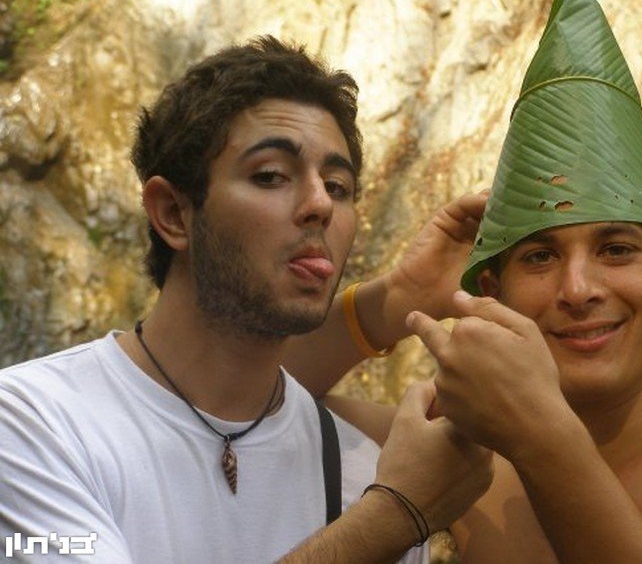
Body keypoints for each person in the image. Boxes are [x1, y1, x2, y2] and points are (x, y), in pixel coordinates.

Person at [290, 0, 642, 562]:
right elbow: (240, 395)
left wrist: (541, 437)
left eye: (616, 249)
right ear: (492, 293)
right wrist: (396, 299)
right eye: (539, 256)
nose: (578, 289)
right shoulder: (452, 463)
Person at [0, 35, 494, 562]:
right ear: (172, 213)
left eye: (338, 186)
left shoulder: (364, 470)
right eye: (271, 176)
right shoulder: (33, 424)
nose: (320, 205)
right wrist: (390, 518)